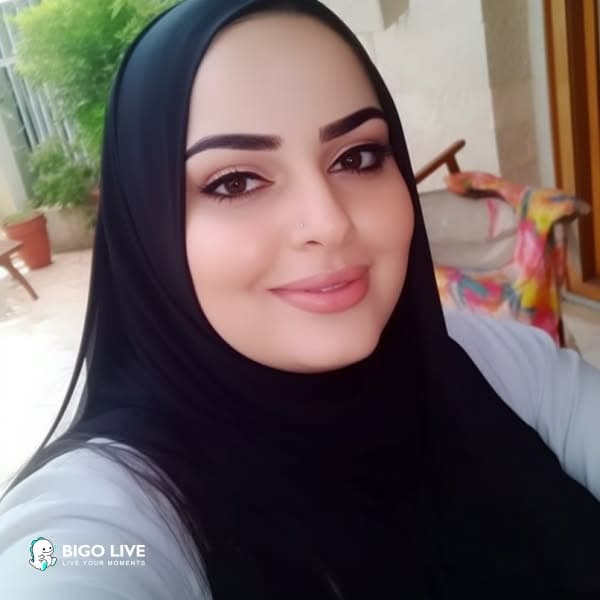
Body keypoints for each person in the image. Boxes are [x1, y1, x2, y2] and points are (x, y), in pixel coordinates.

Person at [0, 1, 599, 598]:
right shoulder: (111, 515)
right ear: (145, 228)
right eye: (236, 181)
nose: (329, 222)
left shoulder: (491, 361)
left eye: (357, 157)